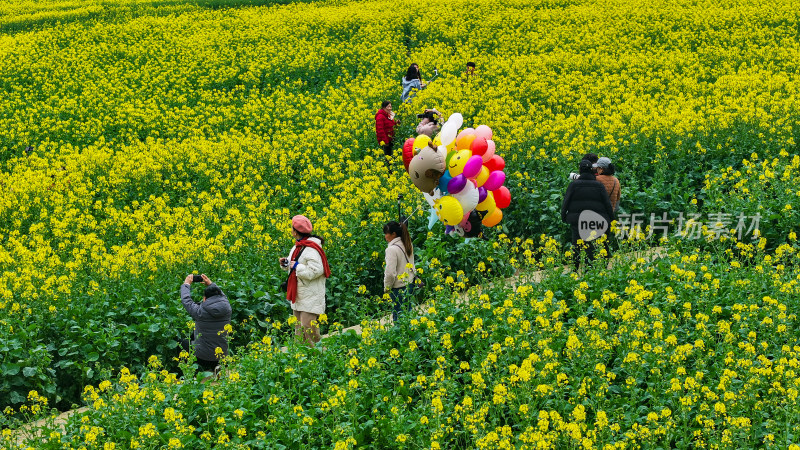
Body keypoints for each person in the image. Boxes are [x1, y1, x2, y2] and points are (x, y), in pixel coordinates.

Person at [279, 215, 331, 346]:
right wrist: (286, 263)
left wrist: (297, 266)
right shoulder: (298, 246)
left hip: (310, 295)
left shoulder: (312, 248)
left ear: (295, 231)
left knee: (309, 330)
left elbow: (316, 270)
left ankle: (318, 357)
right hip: (299, 294)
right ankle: (302, 359)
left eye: (292, 228)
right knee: (299, 331)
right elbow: (293, 267)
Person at [561, 159, 614, 270]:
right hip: (595, 219)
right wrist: (611, 218)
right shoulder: (599, 186)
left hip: (577, 220)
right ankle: (591, 270)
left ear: (580, 170)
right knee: (591, 245)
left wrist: (564, 217)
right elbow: (607, 204)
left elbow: (565, 202)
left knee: (576, 245)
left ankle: (574, 271)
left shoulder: (573, 185)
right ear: (591, 170)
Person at [179, 274, 232, 372]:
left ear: (204, 298)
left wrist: (186, 284)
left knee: (181, 343)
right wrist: (211, 284)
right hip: (222, 355)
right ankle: (217, 367)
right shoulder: (227, 307)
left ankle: (188, 372)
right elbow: (222, 295)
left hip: (203, 357)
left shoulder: (200, 312)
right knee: (194, 333)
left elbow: (186, 300)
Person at [383, 221, 416, 321]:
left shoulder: (391, 249)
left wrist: (387, 288)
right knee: (408, 313)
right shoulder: (407, 243)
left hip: (399, 288)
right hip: (410, 284)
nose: (385, 236)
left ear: (394, 234)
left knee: (399, 317)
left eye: (386, 233)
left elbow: (390, 273)